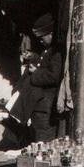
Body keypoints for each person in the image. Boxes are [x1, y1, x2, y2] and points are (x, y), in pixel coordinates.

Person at [28, 13, 63, 142]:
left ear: (51, 34)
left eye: (42, 37)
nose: (40, 40)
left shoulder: (56, 53)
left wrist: (35, 73)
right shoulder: (47, 50)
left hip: (47, 108)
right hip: (41, 107)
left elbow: (54, 76)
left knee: (44, 142)